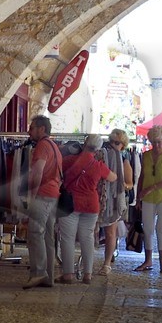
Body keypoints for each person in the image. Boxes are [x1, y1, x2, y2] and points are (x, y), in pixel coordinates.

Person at [57, 134, 115, 283]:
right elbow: (113, 177)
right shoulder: (98, 165)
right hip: (91, 204)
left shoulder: (69, 160)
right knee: (88, 238)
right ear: (98, 149)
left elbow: (57, 171)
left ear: (84, 144)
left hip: (70, 203)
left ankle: (68, 274)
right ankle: (87, 274)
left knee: (68, 239)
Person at [21, 114, 63, 289]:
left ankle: (38, 272)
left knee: (35, 233)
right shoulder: (54, 146)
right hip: (53, 195)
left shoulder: (42, 147)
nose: (29, 131)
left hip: (43, 194)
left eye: (32, 128)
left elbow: (37, 172)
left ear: (42, 129)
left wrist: (32, 194)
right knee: (47, 236)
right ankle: (48, 276)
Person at [135, 125, 162, 274]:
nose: (157, 145)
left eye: (159, 141)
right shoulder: (145, 156)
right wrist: (139, 195)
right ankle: (148, 260)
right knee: (147, 229)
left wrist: (151, 188)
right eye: (154, 142)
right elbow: (142, 177)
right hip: (147, 197)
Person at [97, 129, 129, 274]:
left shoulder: (124, 158)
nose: (113, 145)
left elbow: (129, 181)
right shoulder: (101, 153)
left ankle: (106, 263)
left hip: (114, 199)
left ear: (123, 145)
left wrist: (117, 187)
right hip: (98, 196)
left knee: (111, 233)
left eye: (117, 143)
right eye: (111, 141)